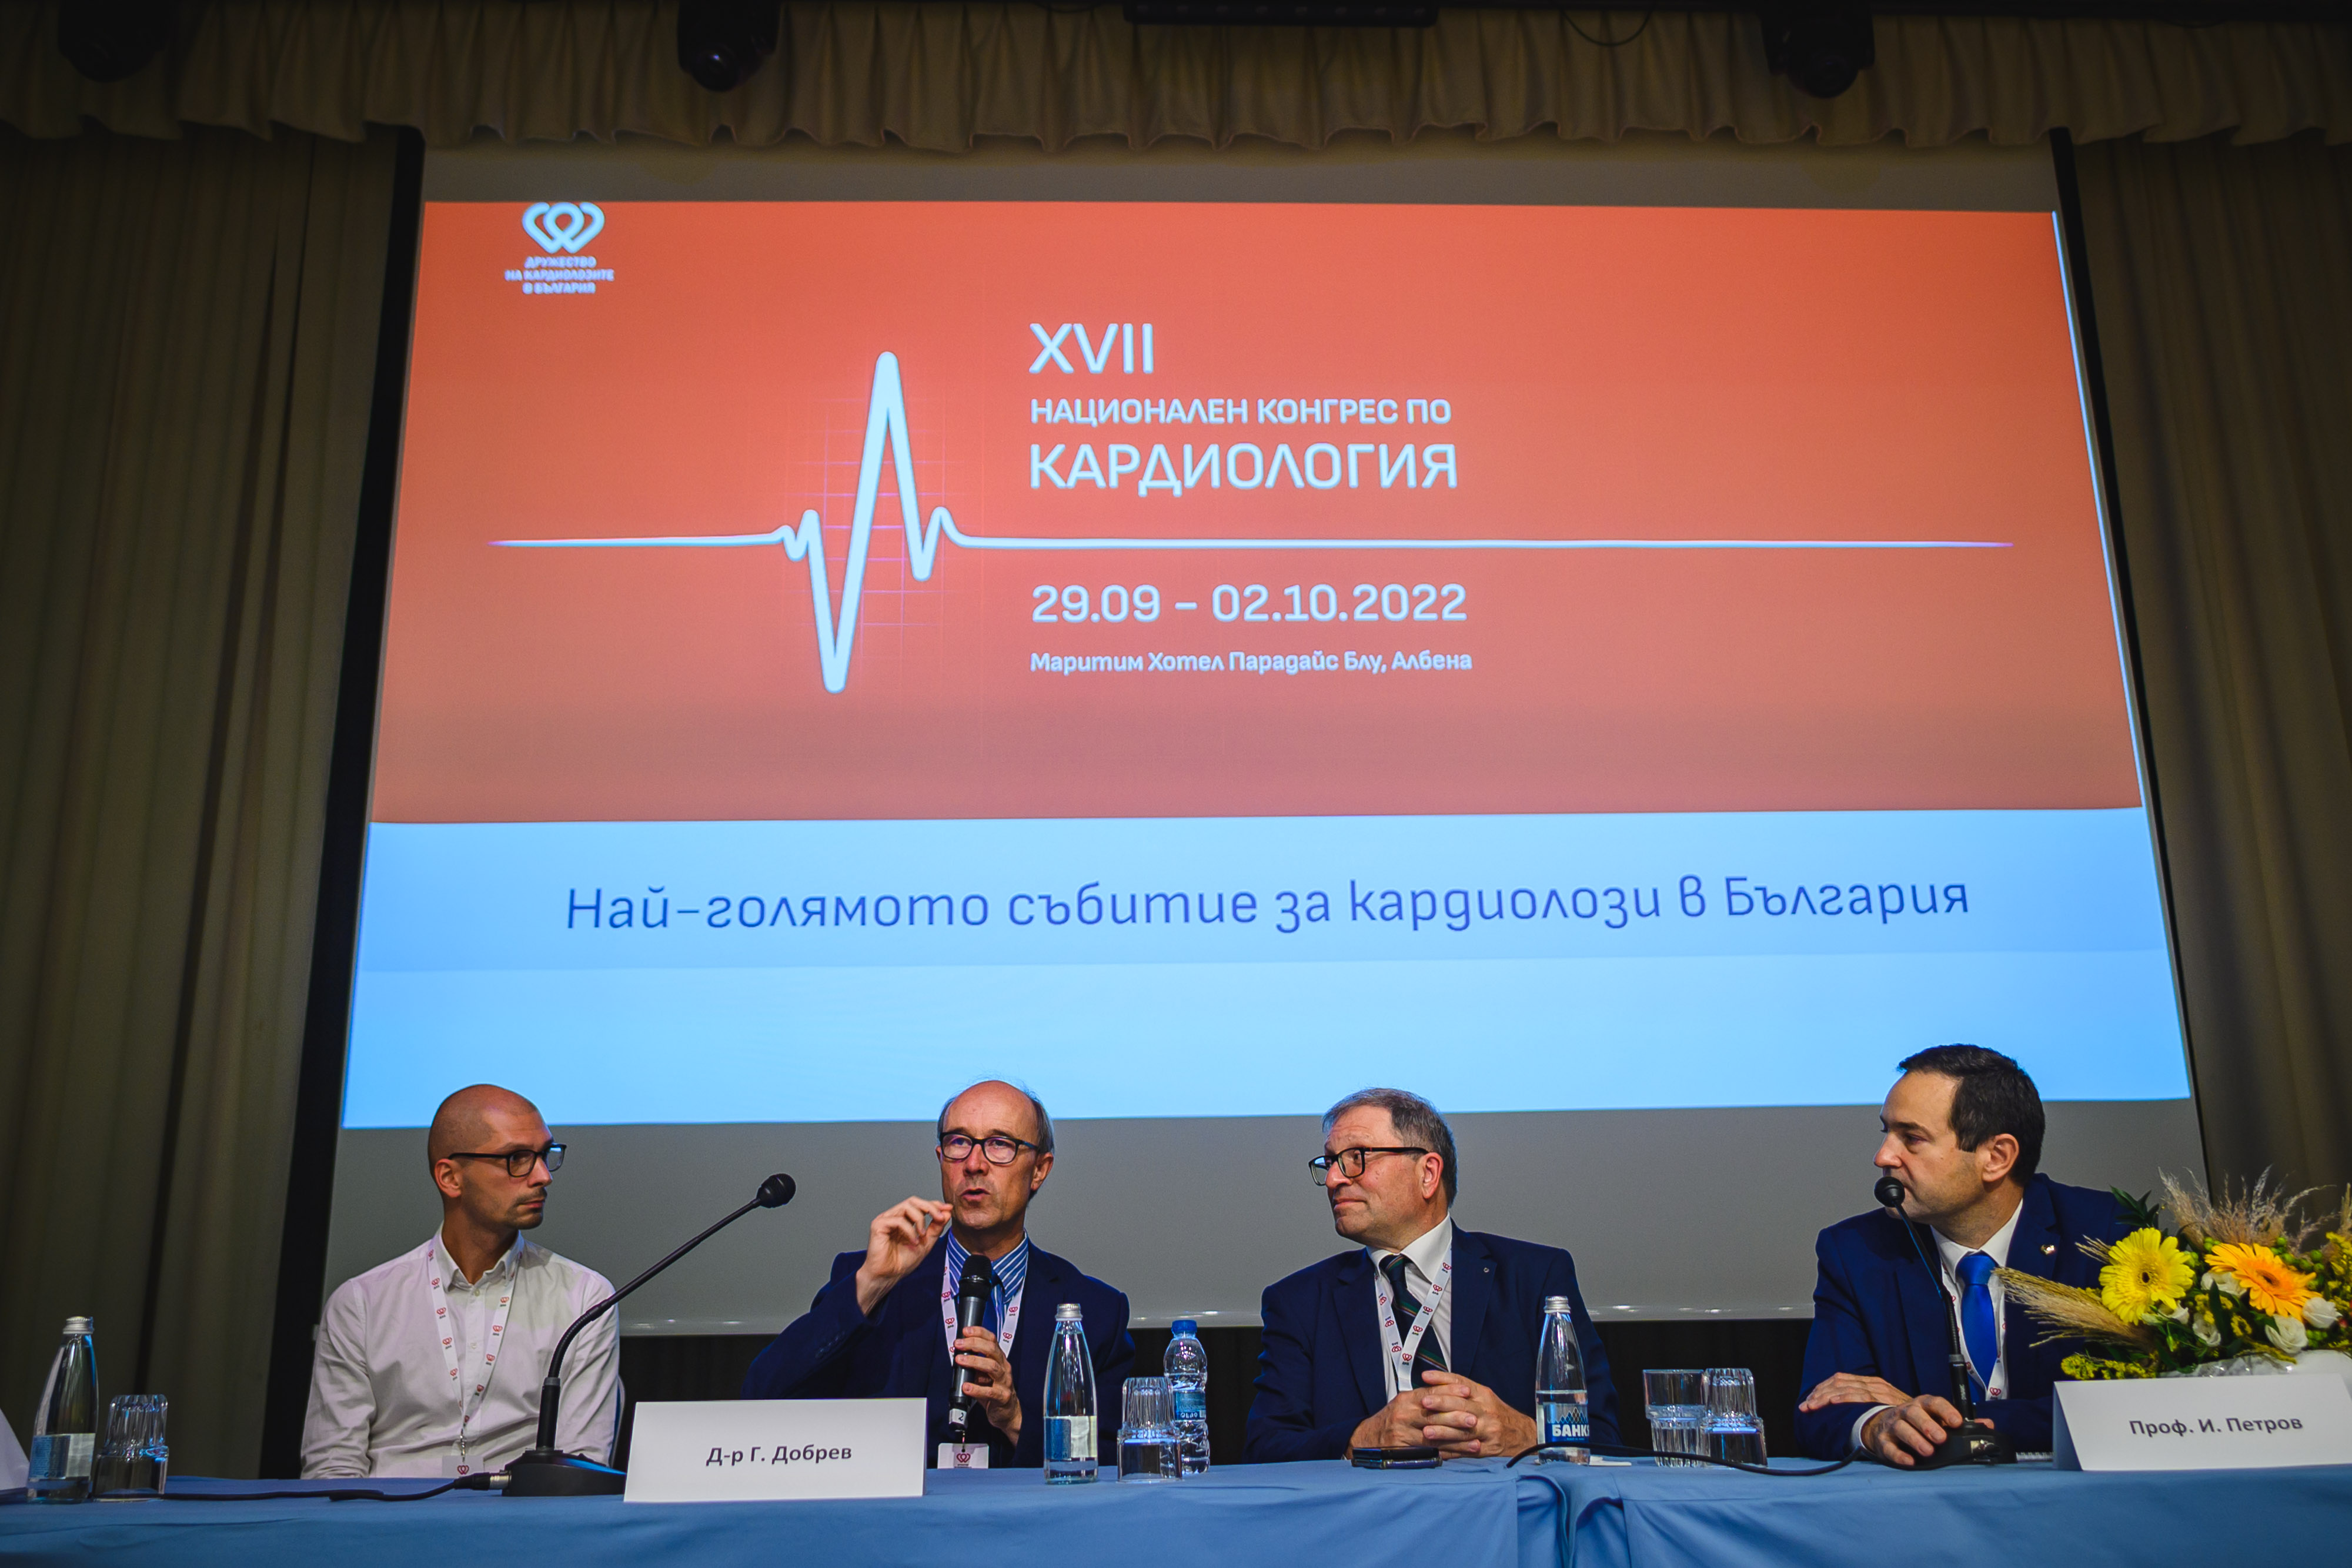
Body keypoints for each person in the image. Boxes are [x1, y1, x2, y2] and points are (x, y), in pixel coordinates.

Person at [742, 1079, 1133, 1467]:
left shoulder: (1096, 1312)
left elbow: (1116, 1461)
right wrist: (871, 1284)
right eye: (959, 1142)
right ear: (941, 1158)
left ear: (1039, 1170)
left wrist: (1016, 1420)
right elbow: (762, 1398)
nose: (974, 1164)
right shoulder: (870, 1283)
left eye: (1000, 1144)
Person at [1796, 1045, 2130, 1463]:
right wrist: (1878, 1422)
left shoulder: (2103, 1237)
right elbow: (1821, 1408)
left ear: (1997, 1157)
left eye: (1912, 1138)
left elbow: (2130, 1404)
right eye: (1886, 1133)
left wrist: (1942, 1417)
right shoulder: (1856, 1251)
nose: (1883, 1156)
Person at [1245, 1087, 1619, 1462]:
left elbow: (1605, 1437)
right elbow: (1264, 1450)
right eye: (1330, 1163)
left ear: (1428, 1173)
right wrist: (1361, 1438)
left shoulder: (1535, 1278)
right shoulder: (1299, 1303)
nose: (1333, 1180)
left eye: (1356, 1158)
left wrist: (1525, 1436)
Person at [302, 1085, 619, 1477]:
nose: (542, 1176)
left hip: (519, 1512)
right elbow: (332, 1468)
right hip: (388, 1512)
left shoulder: (584, 1297)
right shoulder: (362, 1304)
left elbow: (580, 1469)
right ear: (450, 1177)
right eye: (517, 1159)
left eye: (545, 1155)